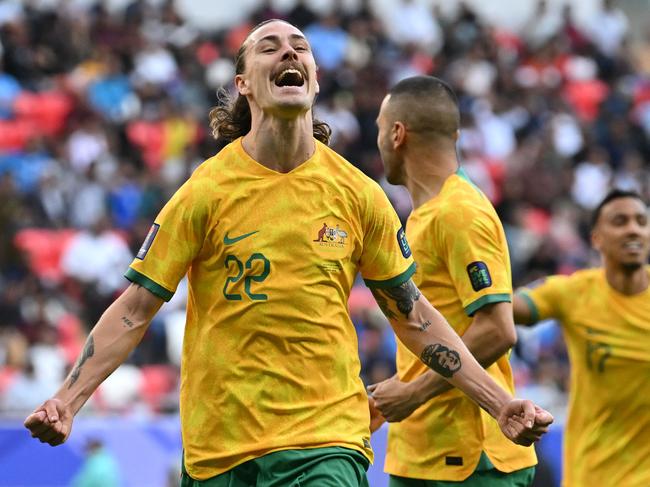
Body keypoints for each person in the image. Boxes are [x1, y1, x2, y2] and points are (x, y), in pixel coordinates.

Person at [24, 20, 550, 487]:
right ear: (244, 84)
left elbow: (414, 316)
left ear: (316, 79)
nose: (289, 53)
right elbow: (135, 310)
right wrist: (67, 401)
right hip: (219, 452)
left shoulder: (359, 194)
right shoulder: (205, 191)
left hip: (324, 444)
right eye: (269, 48)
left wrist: (499, 401)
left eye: (300, 46)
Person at [367, 76, 547, 487]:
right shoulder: (424, 216)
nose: (377, 140)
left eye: (380, 127)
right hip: (423, 454)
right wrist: (398, 389)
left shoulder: (460, 212)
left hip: (470, 460)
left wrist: (413, 392)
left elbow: (497, 329)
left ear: (397, 134)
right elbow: (437, 330)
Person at [513, 189, 650, 486]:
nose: (633, 228)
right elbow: (503, 308)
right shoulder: (573, 293)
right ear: (596, 237)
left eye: (641, 221)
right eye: (620, 220)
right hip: (592, 475)